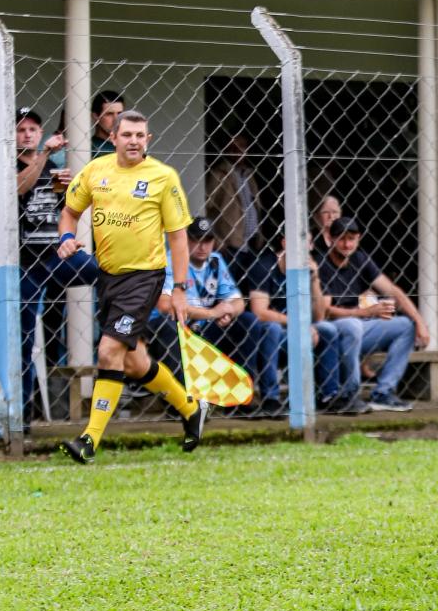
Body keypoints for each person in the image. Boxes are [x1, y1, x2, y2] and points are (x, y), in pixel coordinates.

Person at [57, 110, 208, 463]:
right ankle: (190, 408)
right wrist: (66, 237)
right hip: (108, 276)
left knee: (109, 351)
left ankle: (89, 439)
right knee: (136, 362)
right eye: (127, 135)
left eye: (140, 135)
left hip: (144, 278)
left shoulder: (162, 177)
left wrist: (180, 287)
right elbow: (69, 211)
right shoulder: (96, 171)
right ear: (113, 138)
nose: (134, 141)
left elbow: (178, 238)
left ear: (148, 139)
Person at [148, 216, 284, 415]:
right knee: (170, 326)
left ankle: (239, 397)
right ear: (185, 239)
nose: (203, 246)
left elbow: (237, 301)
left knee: (247, 321)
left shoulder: (215, 261)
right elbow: (166, 305)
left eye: (208, 240)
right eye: (197, 240)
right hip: (176, 327)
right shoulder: (171, 260)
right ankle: (182, 402)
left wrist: (228, 311)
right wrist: (212, 313)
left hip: (205, 326)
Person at [16, 107, 99, 422]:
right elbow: (17, 188)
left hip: (57, 256)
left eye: (33, 129)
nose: (28, 134)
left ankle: (119, 330)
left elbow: (66, 211)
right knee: (24, 341)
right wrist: (42, 157)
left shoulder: (51, 167)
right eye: (21, 129)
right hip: (25, 264)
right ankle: (22, 420)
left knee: (105, 273)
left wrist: (67, 191)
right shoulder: (10, 165)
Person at [318, 216, 430, 412]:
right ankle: (349, 395)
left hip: (360, 324)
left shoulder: (360, 259)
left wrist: (420, 321)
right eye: (342, 239)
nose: (346, 244)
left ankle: (383, 393)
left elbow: (392, 291)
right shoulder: (322, 263)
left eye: (351, 238)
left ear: (358, 238)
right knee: (351, 326)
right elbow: (326, 311)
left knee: (405, 325)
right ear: (331, 238)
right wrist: (366, 311)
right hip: (334, 327)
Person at [247, 232, 363, 415]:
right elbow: (259, 312)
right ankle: (271, 398)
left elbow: (318, 317)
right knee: (273, 328)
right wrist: (299, 325)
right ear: (285, 243)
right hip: (270, 337)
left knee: (327, 329)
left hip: (301, 331)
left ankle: (329, 395)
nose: (306, 248)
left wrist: (315, 278)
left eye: (308, 243)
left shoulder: (305, 271)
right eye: (300, 242)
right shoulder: (264, 266)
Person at [206, 133, 265, 283]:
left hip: (251, 241)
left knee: (249, 287)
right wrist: (218, 240)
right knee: (228, 286)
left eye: (242, 146)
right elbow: (207, 208)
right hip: (230, 244)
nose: (238, 150)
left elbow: (255, 206)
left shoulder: (248, 174)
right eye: (233, 146)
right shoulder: (219, 174)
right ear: (226, 148)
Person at [90, 89, 124, 157]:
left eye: (120, 113)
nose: (116, 119)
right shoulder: (89, 148)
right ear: (95, 116)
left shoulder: (129, 146)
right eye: (109, 114)